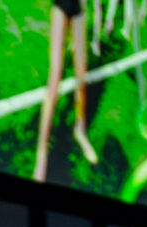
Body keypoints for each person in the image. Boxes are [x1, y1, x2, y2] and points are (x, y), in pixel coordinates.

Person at [34, 0, 99, 182]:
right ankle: (42, 153)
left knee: (81, 72)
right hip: (61, 6)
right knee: (55, 75)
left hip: (78, 8)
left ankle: (80, 129)